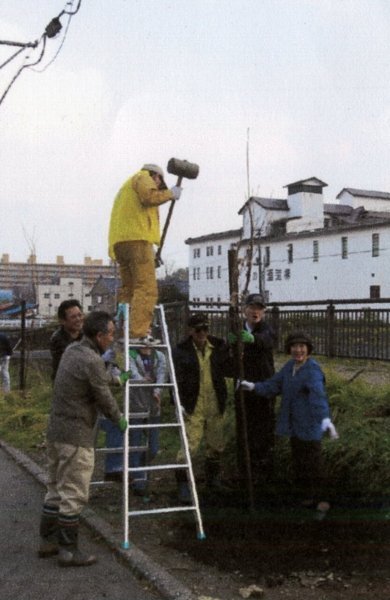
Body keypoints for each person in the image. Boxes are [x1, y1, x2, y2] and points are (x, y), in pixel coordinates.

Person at [38, 311, 128, 567]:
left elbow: (95, 377)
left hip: (56, 432)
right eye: (111, 334)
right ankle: (68, 550)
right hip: (76, 435)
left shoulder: (73, 351)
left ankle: (48, 541)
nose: (112, 339)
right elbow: (102, 395)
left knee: (55, 488)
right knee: (75, 493)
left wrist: (116, 379)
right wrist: (118, 418)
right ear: (99, 335)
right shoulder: (91, 359)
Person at [238, 330, 338, 513]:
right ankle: (308, 497)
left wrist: (324, 419)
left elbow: (318, 395)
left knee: (314, 463)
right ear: (289, 349)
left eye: (302, 347)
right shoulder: (289, 367)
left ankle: (324, 499)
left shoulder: (312, 369)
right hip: (295, 425)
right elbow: (273, 385)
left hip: (310, 424)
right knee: (300, 462)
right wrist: (253, 386)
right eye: (294, 347)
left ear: (308, 350)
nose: (298, 350)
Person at [108, 163, 182, 345]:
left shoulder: (126, 188)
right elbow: (149, 197)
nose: (157, 187)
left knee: (129, 289)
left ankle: (123, 328)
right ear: (156, 176)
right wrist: (170, 194)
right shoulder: (143, 177)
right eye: (159, 183)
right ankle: (138, 332)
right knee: (146, 288)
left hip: (121, 243)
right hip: (138, 240)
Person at [173, 313, 232, 503]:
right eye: (198, 329)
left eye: (205, 329)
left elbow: (229, 367)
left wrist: (236, 348)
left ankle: (212, 481)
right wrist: (177, 402)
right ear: (190, 331)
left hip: (215, 402)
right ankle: (183, 485)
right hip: (193, 404)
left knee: (216, 443)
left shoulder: (218, 346)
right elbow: (173, 379)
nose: (202, 333)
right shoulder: (180, 351)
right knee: (189, 446)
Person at [101, 345, 167, 496]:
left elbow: (162, 375)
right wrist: (143, 381)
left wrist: (157, 391)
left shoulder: (159, 356)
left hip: (153, 408)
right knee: (135, 446)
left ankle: (137, 471)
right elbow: (133, 375)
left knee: (153, 448)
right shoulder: (128, 354)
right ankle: (138, 482)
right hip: (135, 406)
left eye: (149, 331)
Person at [230, 293, 277, 485]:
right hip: (243, 388)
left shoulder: (266, 329)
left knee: (262, 429)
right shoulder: (238, 328)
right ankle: (244, 472)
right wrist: (231, 344)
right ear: (244, 310)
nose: (256, 312)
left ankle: (262, 472)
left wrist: (252, 339)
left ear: (263, 312)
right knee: (244, 429)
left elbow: (268, 341)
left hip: (263, 387)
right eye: (252, 308)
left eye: (260, 308)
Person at [50, 299, 83, 380]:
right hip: (65, 383)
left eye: (80, 315)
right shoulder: (57, 339)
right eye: (73, 317)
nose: (78, 319)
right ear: (63, 321)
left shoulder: (86, 334)